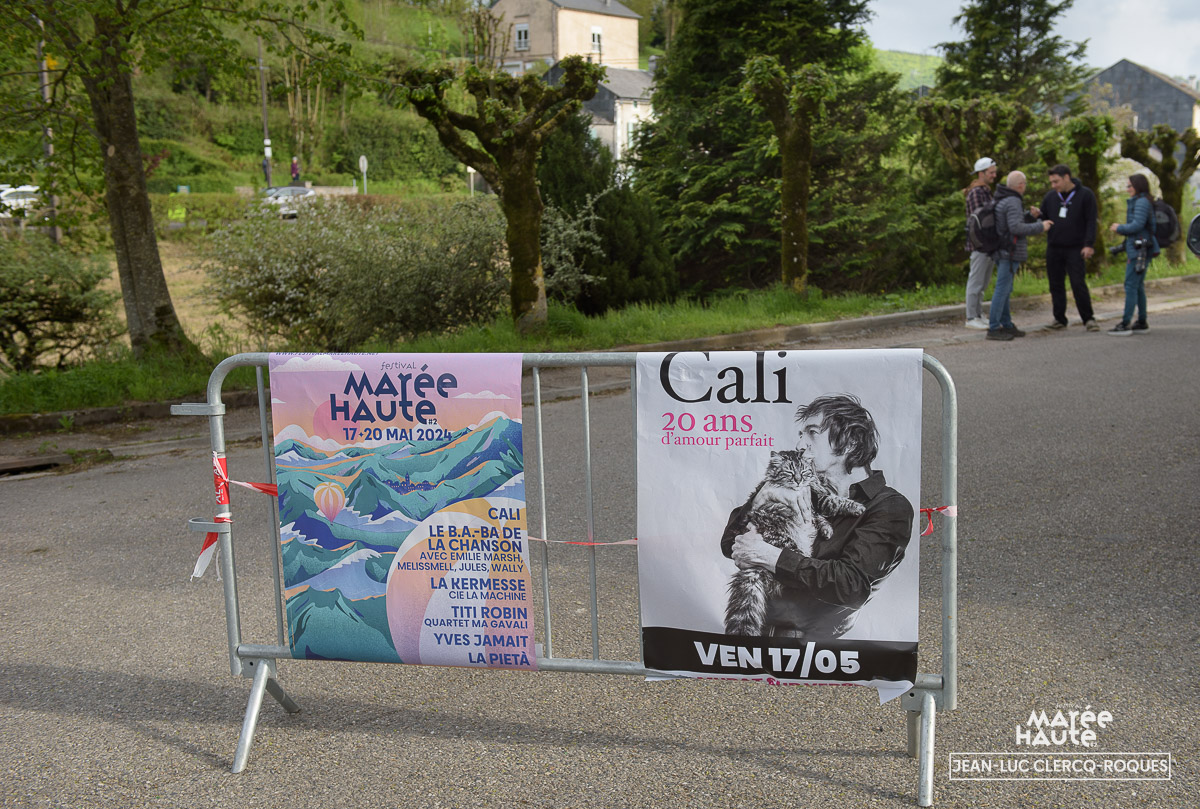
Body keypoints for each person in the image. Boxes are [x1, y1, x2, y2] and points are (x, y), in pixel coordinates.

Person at [720, 394, 915, 639]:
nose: (800, 445)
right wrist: (759, 499)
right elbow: (730, 544)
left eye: (812, 432)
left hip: (817, 650)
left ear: (851, 442)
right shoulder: (801, 488)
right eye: (801, 434)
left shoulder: (889, 507)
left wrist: (769, 556)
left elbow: (850, 585)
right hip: (752, 631)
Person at [988, 171, 1052, 342]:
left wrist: (1030, 217)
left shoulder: (1002, 198)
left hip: (1002, 250)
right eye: (1025, 183)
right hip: (1009, 252)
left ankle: (1007, 324)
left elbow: (1010, 223)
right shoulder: (1013, 200)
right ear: (1021, 185)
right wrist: (1040, 226)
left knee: (1006, 289)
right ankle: (993, 327)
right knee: (1002, 289)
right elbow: (1016, 228)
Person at [1040, 164, 1099, 331]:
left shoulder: (1085, 195)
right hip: (1054, 247)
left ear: (1066, 177)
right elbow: (1044, 217)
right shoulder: (1050, 197)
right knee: (1055, 284)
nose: (1053, 185)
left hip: (1076, 247)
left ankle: (1088, 318)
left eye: (1056, 181)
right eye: (1051, 182)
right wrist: (1037, 216)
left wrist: (1089, 244)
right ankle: (1059, 318)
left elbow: (1091, 221)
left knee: (1078, 283)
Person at [1107, 174, 1157, 335]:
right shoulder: (1143, 201)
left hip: (1138, 250)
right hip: (1140, 248)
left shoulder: (1141, 202)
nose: (1127, 189)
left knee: (1130, 285)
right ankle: (1141, 321)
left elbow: (1137, 225)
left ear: (1137, 186)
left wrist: (1119, 228)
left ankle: (1125, 323)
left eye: (1129, 186)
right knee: (1138, 286)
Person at [964, 157, 999, 329]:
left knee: (983, 283)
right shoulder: (976, 193)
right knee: (976, 282)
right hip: (980, 245)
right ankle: (971, 317)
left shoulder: (985, 191)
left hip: (988, 245)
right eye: (991, 172)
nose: (994, 175)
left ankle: (978, 314)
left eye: (994, 172)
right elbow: (980, 221)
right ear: (981, 173)